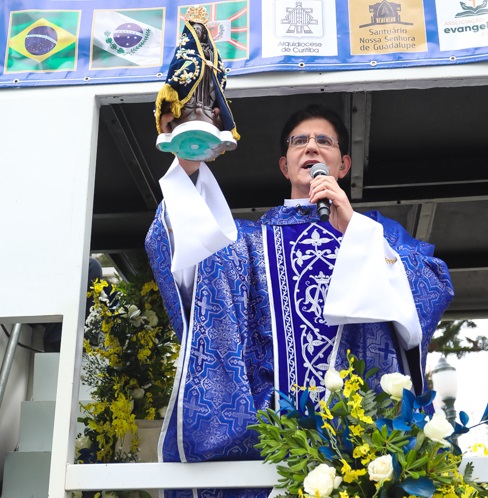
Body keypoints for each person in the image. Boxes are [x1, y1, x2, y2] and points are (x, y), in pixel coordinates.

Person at [145, 104, 454, 498]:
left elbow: (432, 285)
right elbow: (184, 253)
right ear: (285, 166)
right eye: (300, 142)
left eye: (323, 141)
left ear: (342, 165)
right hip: (268, 453)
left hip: (358, 445)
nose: (311, 148)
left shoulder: (377, 233)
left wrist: (352, 230)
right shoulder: (246, 243)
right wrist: (188, 163)